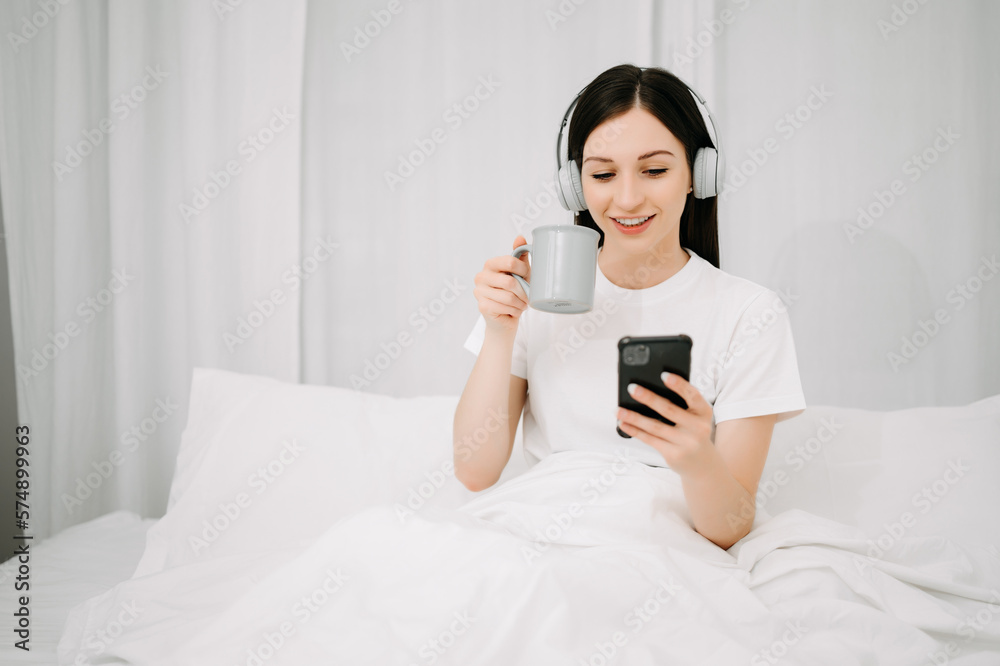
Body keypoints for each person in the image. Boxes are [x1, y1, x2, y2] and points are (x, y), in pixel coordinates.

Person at [454, 64, 807, 550]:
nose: (626, 198)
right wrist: (500, 331)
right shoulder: (534, 296)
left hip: (662, 550)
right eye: (602, 174)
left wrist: (696, 458)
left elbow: (729, 527)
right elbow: (475, 471)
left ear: (697, 176)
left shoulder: (750, 313)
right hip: (537, 536)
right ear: (575, 186)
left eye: (655, 170)